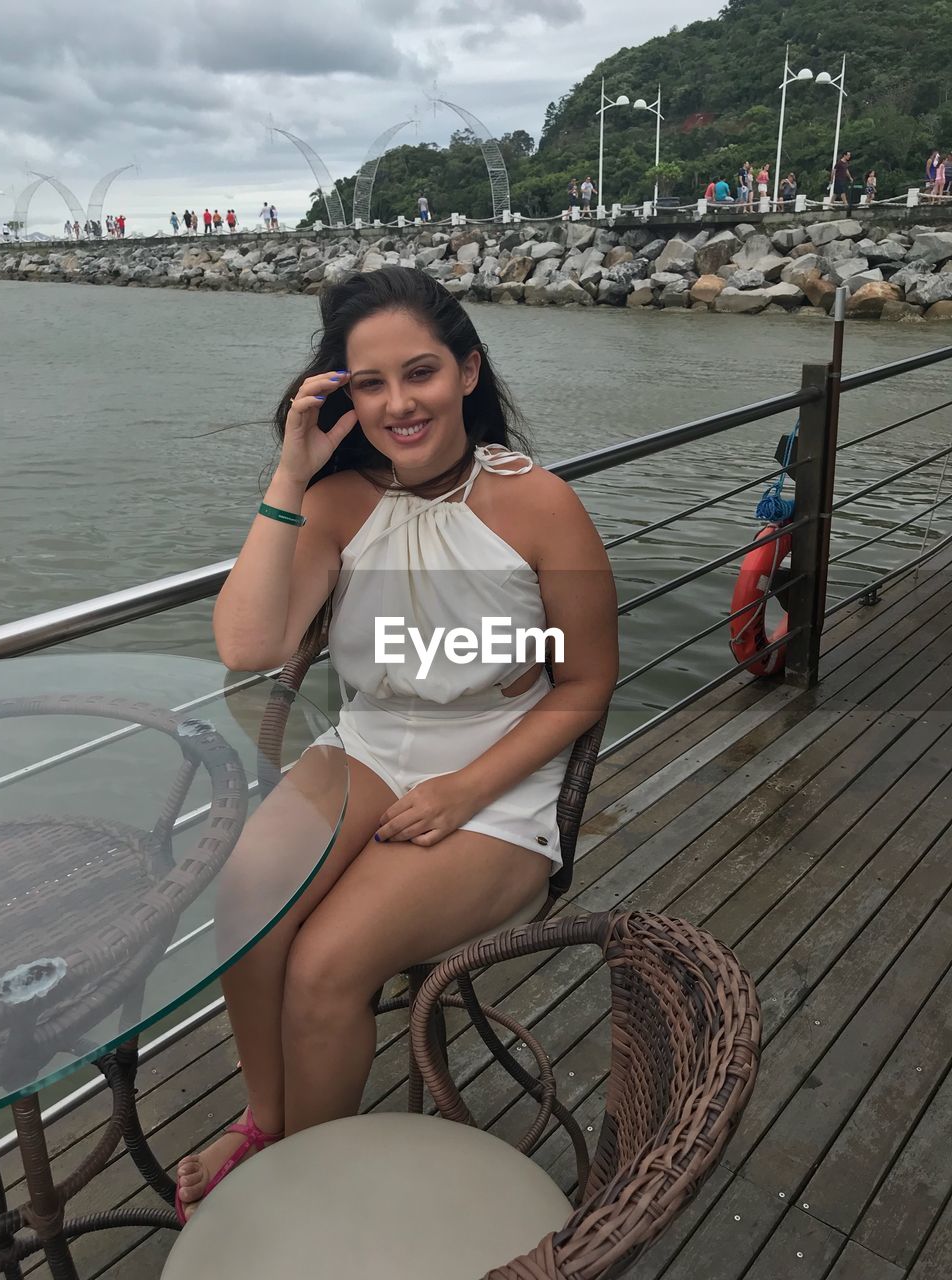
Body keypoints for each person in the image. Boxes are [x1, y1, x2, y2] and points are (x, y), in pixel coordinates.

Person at [173, 264, 618, 1222]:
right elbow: (249, 647)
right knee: (250, 895)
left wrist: (465, 790)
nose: (396, 403)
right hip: (369, 742)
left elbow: (585, 681)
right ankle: (268, 1119)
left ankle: (309, 1192)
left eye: (418, 373)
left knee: (328, 964)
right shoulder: (336, 502)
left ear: (467, 370)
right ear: (340, 397)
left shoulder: (539, 504)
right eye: (368, 384)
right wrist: (292, 472)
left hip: (501, 771)